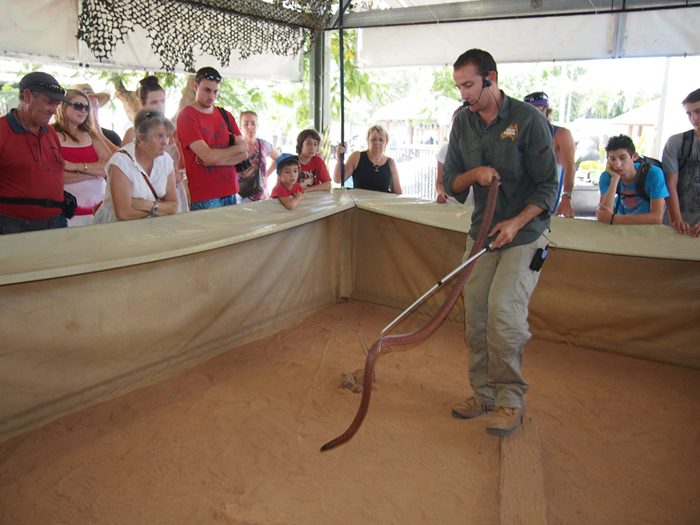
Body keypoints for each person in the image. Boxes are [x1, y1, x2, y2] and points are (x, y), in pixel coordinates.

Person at [443, 49, 558, 436]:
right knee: (476, 314)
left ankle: (510, 401)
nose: (464, 95)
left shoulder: (528, 120)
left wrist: (515, 222)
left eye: (470, 85)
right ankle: (484, 394)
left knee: (503, 314)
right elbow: (451, 184)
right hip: (483, 232)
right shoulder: (462, 122)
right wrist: (473, 173)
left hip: (525, 232)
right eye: (459, 86)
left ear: (491, 78)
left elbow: (548, 188)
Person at [0, 71, 70, 233]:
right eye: (50, 102)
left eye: (57, 104)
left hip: (56, 222)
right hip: (12, 227)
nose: (54, 110)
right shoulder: (2, 131)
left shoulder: (50, 133)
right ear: (27, 96)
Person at [176, 67, 248, 210]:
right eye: (207, 90)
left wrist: (214, 159)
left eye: (215, 92)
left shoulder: (225, 114)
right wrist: (233, 152)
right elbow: (208, 157)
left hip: (232, 191)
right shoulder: (187, 116)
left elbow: (244, 153)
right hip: (205, 195)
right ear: (195, 86)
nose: (212, 97)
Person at [94, 110, 178, 223]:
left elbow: (173, 206)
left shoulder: (166, 160)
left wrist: (147, 205)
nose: (165, 142)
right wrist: (161, 207)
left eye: (167, 136)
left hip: (149, 229)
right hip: (115, 231)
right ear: (141, 138)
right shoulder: (121, 162)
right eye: (159, 136)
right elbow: (123, 214)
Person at [123, 75, 189, 213]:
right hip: (145, 196)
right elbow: (125, 171)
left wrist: (177, 174)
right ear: (142, 103)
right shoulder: (132, 133)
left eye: (162, 101)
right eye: (154, 102)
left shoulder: (171, 131)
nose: (159, 107)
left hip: (172, 193)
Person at [52, 89, 112, 226]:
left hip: (99, 209)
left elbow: (110, 166)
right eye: (78, 105)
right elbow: (57, 176)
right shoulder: (51, 134)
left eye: (86, 107)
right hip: (68, 212)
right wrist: (92, 173)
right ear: (63, 106)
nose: (83, 110)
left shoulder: (90, 135)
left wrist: (76, 168)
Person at [524, 91, 577, 218]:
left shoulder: (561, 134)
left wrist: (567, 197)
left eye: (539, 110)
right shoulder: (523, 135)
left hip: (547, 204)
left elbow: (570, 167)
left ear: (546, 111)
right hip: (523, 200)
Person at [595, 135, 668, 225]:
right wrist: (614, 179)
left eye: (622, 158)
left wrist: (614, 219)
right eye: (612, 159)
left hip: (647, 231)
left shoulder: (653, 174)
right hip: (621, 230)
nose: (617, 165)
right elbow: (603, 216)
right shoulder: (607, 177)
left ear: (634, 156)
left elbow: (657, 218)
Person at [662, 88, 700, 237]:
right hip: (674, 224)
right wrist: (677, 221)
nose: (694, 118)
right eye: (689, 114)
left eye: (698, 111)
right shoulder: (676, 142)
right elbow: (670, 185)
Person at [333, 125, 402, 194]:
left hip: (382, 204)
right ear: (368, 141)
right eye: (373, 139)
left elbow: (398, 193)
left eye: (381, 140)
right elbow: (338, 179)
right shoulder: (356, 157)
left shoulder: (391, 163)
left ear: (386, 142)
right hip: (359, 203)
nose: (377, 143)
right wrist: (339, 160)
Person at [238, 110, 280, 201]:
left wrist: (267, 174)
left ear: (257, 125)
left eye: (253, 123)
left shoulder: (263, 145)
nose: (250, 127)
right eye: (246, 124)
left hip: (262, 196)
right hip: (240, 197)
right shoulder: (235, 146)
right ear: (240, 127)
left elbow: (279, 159)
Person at [72, 83, 122, 152]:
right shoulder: (68, 136)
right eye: (87, 106)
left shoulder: (111, 136)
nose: (93, 109)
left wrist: (100, 134)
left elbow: (124, 160)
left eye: (95, 104)